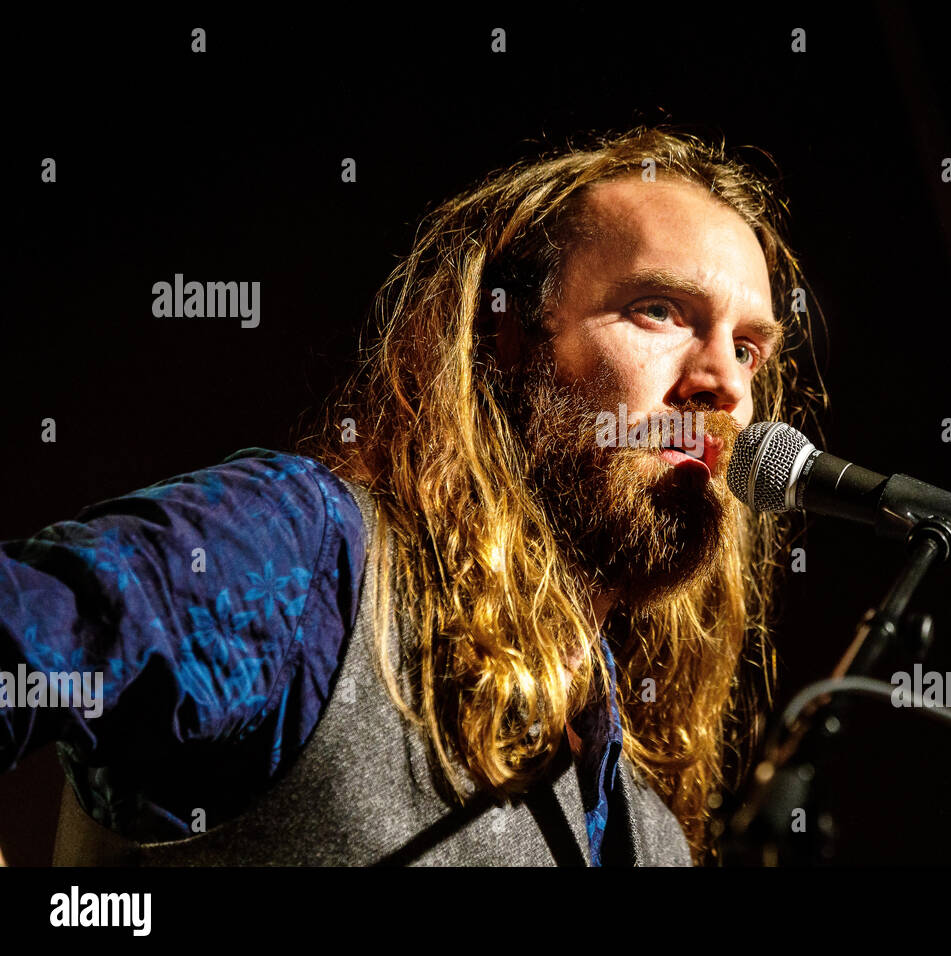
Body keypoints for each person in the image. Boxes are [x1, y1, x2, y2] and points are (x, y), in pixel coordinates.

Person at [0, 125, 823, 866]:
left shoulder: (650, 837)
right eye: (659, 311)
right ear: (504, 336)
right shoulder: (307, 560)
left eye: (749, 349)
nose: (723, 384)